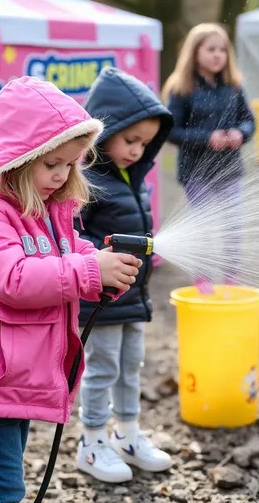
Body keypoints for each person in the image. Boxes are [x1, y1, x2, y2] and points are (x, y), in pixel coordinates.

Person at [0, 76, 142, 503]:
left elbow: (71, 255)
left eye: (70, 165)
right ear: (17, 157)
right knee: (2, 489)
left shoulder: (43, 209)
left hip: (12, 374)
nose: (61, 177)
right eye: (52, 164)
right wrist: (89, 271)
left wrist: (104, 269)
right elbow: (14, 278)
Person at [74, 67, 174, 483]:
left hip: (133, 294)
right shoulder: (87, 180)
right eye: (130, 140)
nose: (136, 150)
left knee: (132, 364)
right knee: (103, 368)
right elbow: (74, 237)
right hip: (100, 299)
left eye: (145, 144)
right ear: (104, 130)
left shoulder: (134, 178)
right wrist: (99, 262)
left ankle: (127, 434)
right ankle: (92, 442)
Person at [162, 23, 255, 293]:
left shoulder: (234, 86)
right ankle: (202, 280)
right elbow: (171, 131)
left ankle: (231, 279)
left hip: (229, 169)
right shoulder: (181, 89)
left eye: (222, 50)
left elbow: (249, 120)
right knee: (202, 227)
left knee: (233, 226)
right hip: (196, 172)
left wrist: (240, 133)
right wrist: (206, 138)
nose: (218, 55)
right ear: (194, 53)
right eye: (211, 49)